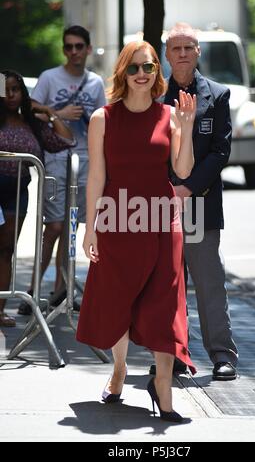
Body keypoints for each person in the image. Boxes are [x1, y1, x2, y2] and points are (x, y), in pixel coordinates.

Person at [76, 41, 197, 423]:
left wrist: (188, 127)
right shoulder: (102, 119)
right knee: (117, 301)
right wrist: (91, 227)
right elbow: (96, 176)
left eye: (147, 67)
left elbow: (183, 169)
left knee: (165, 305)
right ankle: (119, 369)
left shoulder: (169, 116)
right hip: (116, 221)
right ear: (122, 73)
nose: (141, 74)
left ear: (156, 72)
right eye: (133, 68)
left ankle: (163, 388)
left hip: (162, 222)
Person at [162, 23, 239, 381]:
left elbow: (221, 151)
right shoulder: (152, 96)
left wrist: (188, 187)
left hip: (201, 204)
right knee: (167, 283)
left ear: (198, 53)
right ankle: (174, 354)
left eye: (188, 48)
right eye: (175, 48)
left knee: (210, 283)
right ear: (166, 54)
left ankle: (222, 355)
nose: (181, 54)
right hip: (160, 207)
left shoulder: (219, 95)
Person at [18, 25, 106, 315]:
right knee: (54, 226)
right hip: (56, 157)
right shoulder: (50, 77)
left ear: (88, 49)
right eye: (68, 47)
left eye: (79, 46)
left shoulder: (94, 83)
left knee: (71, 227)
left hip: (86, 159)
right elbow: (28, 106)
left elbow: (104, 119)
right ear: (64, 49)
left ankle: (60, 292)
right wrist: (58, 114)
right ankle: (32, 290)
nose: (74, 52)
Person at [0, 70, 75, 328]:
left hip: (18, 193)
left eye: (15, 89)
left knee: (7, 250)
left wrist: (48, 111)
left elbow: (66, 139)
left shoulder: (31, 122)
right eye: (5, 89)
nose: (10, 94)